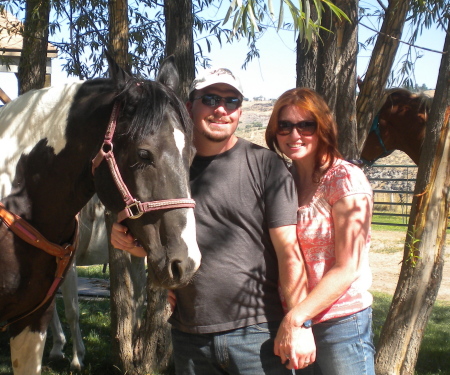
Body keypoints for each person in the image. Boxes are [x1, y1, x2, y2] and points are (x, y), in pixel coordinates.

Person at [111, 68, 315, 374]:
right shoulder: (169, 169)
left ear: (240, 112)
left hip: (257, 332)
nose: (221, 109)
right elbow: (167, 240)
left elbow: (289, 252)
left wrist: (300, 323)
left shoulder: (266, 165)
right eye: (210, 99)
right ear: (190, 106)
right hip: (190, 336)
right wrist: (130, 241)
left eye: (231, 101)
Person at [265, 87, 375, 375]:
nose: (294, 134)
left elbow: (347, 267)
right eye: (284, 126)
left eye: (306, 125)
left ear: (323, 127)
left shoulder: (345, 180)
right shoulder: (283, 181)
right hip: (296, 318)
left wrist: (295, 319)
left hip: (340, 324)